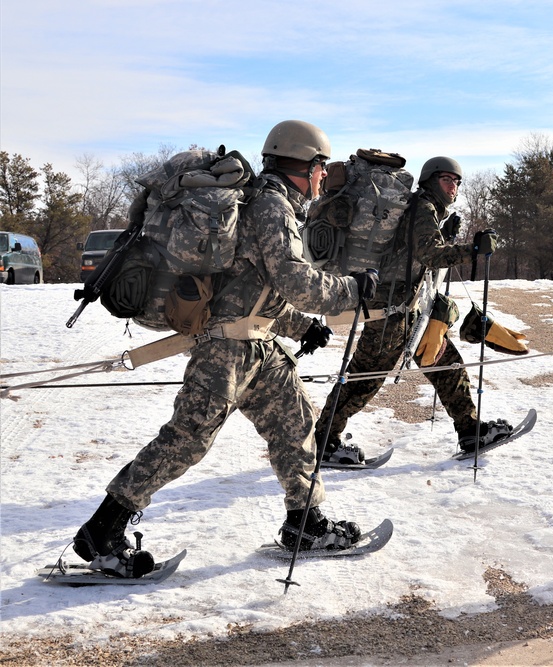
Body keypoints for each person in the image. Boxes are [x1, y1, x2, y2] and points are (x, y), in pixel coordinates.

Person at [72, 120, 381, 577]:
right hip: (226, 351)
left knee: (296, 426)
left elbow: (253, 285)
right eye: (321, 167)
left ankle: (306, 523)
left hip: (260, 347)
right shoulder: (272, 206)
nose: (322, 177)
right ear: (305, 164)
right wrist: (351, 290)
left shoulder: (271, 206)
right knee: (186, 440)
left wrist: (299, 328)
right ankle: (102, 532)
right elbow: (294, 280)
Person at [314, 156, 517, 465]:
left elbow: (414, 251)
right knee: (364, 378)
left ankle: (470, 429)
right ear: (430, 182)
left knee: (442, 358)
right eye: (447, 180)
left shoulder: (428, 210)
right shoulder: (422, 208)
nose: (454, 187)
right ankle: (323, 442)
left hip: (409, 307)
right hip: (392, 311)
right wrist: (472, 250)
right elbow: (430, 255)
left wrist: (446, 233)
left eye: (457, 181)